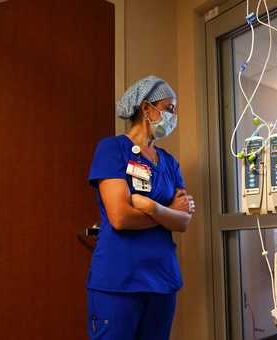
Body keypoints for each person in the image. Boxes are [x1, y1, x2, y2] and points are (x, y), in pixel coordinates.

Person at [86, 75, 195, 340]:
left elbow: (183, 221)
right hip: (119, 280)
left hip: (162, 278)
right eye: (169, 109)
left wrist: (151, 207)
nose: (173, 116)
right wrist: (168, 210)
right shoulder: (112, 150)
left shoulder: (169, 162)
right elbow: (120, 217)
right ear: (147, 109)